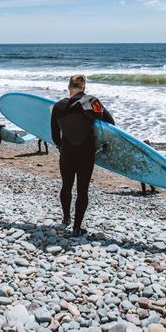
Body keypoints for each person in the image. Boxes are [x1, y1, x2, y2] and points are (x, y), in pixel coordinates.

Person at [51, 74, 115, 237]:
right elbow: (110, 123)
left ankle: (66, 219)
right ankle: (77, 228)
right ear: (84, 87)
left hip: (67, 153)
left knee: (66, 186)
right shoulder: (92, 102)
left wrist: (61, 147)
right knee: (82, 190)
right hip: (86, 154)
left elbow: (54, 135)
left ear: (68, 88)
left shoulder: (58, 106)